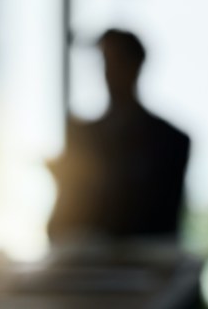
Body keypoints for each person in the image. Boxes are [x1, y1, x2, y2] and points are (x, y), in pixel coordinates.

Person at [48, 29, 190, 242]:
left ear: (137, 65)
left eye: (117, 61)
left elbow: (158, 219)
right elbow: (59, 226)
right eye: (105, 62)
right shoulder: (85, 137)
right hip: (88, 265)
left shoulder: (171, 140)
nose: (109, 72)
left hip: (141, 267)